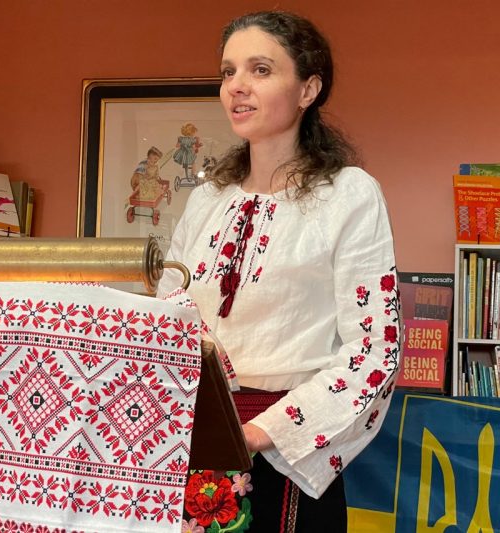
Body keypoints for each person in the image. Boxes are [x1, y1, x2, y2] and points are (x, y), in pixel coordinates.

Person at [157, 11, 400, 532]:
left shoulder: (350, 195)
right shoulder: (207, 199)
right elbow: (167, 315)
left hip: (286, 451)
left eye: (261, 70)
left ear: (308, 88)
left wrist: (260, 433)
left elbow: (375, 352)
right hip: (191, 446)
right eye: (228, 72)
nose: (237, 88)